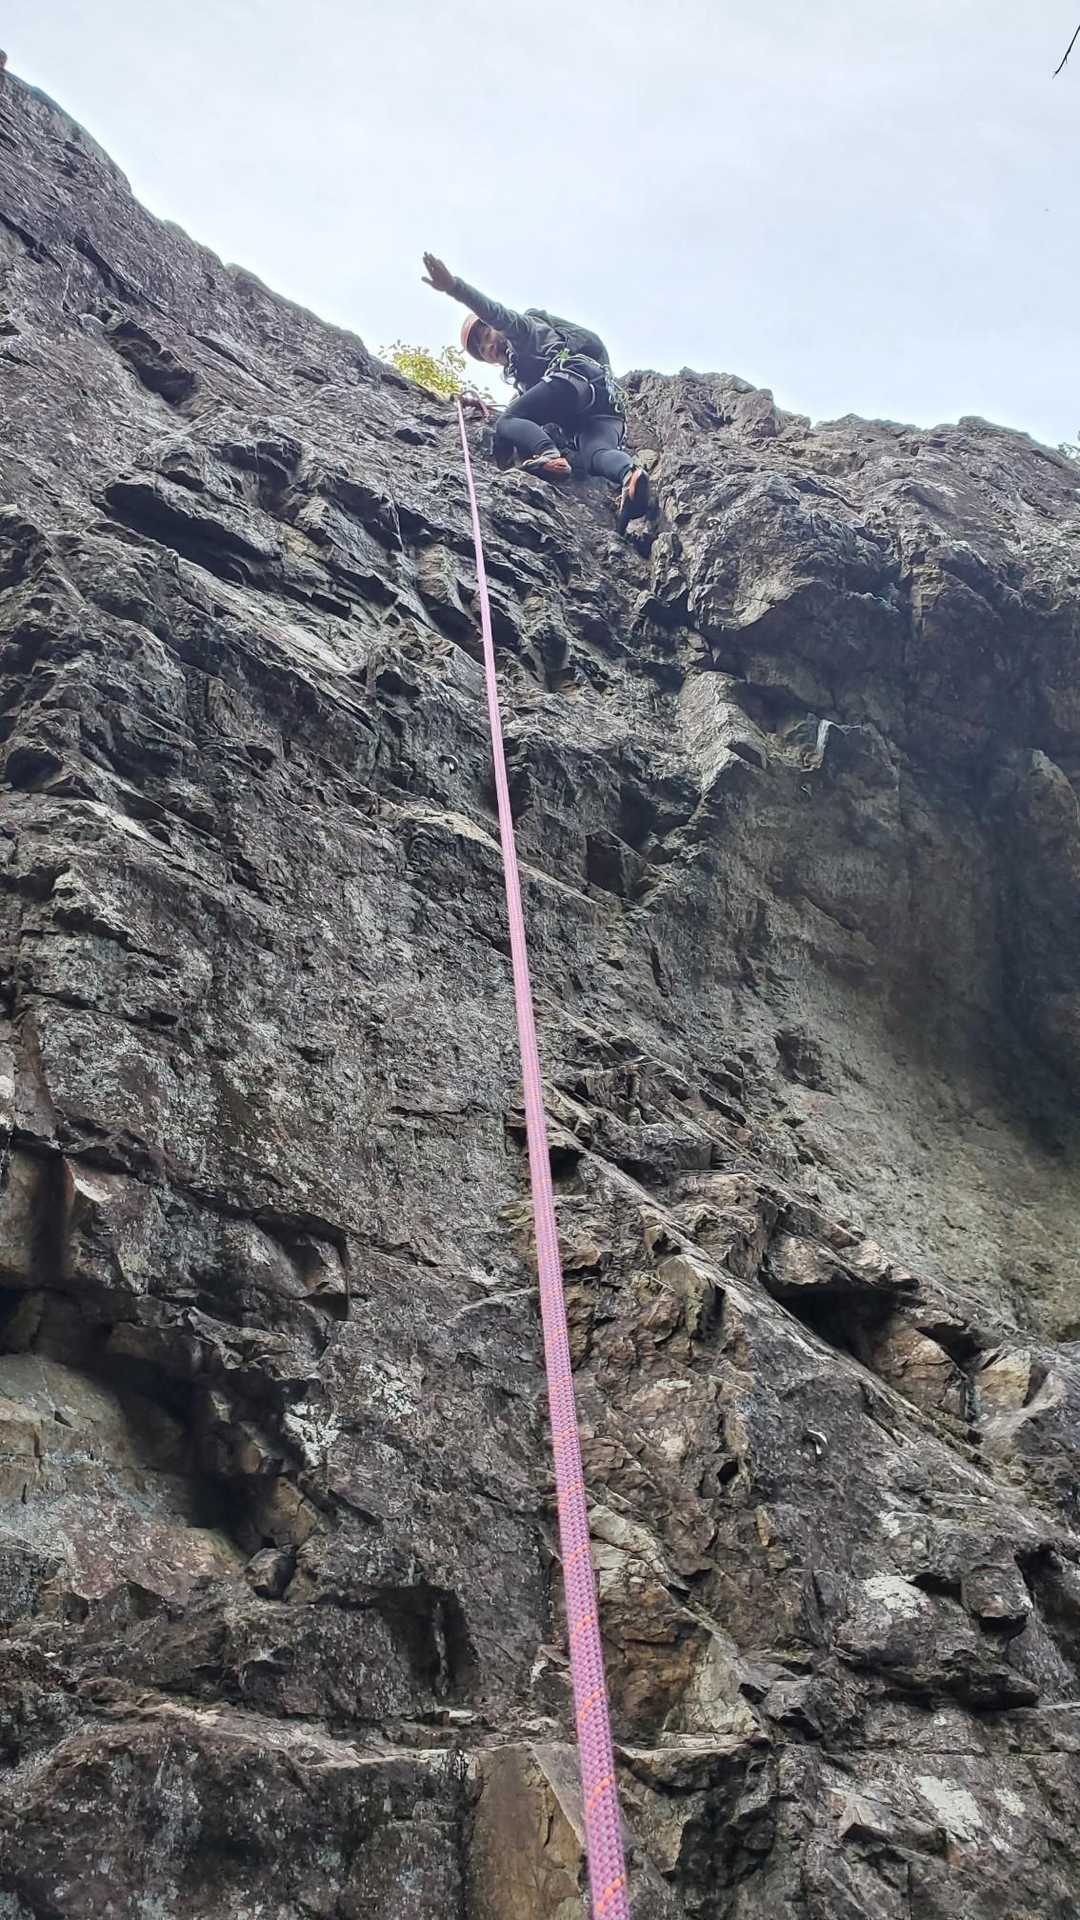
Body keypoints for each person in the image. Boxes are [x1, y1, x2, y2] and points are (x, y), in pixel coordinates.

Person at [422, 253, 650, 533]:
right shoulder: (524, 377)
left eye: (487, 335)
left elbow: (496, 313)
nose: (488, 347)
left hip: (572, 381)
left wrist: (454, 287)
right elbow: (533, 403)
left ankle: (548, 454)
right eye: (481, 350)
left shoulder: (524, 331)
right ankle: (630, 476)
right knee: (597, 453)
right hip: (604, 405)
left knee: (508, 421)